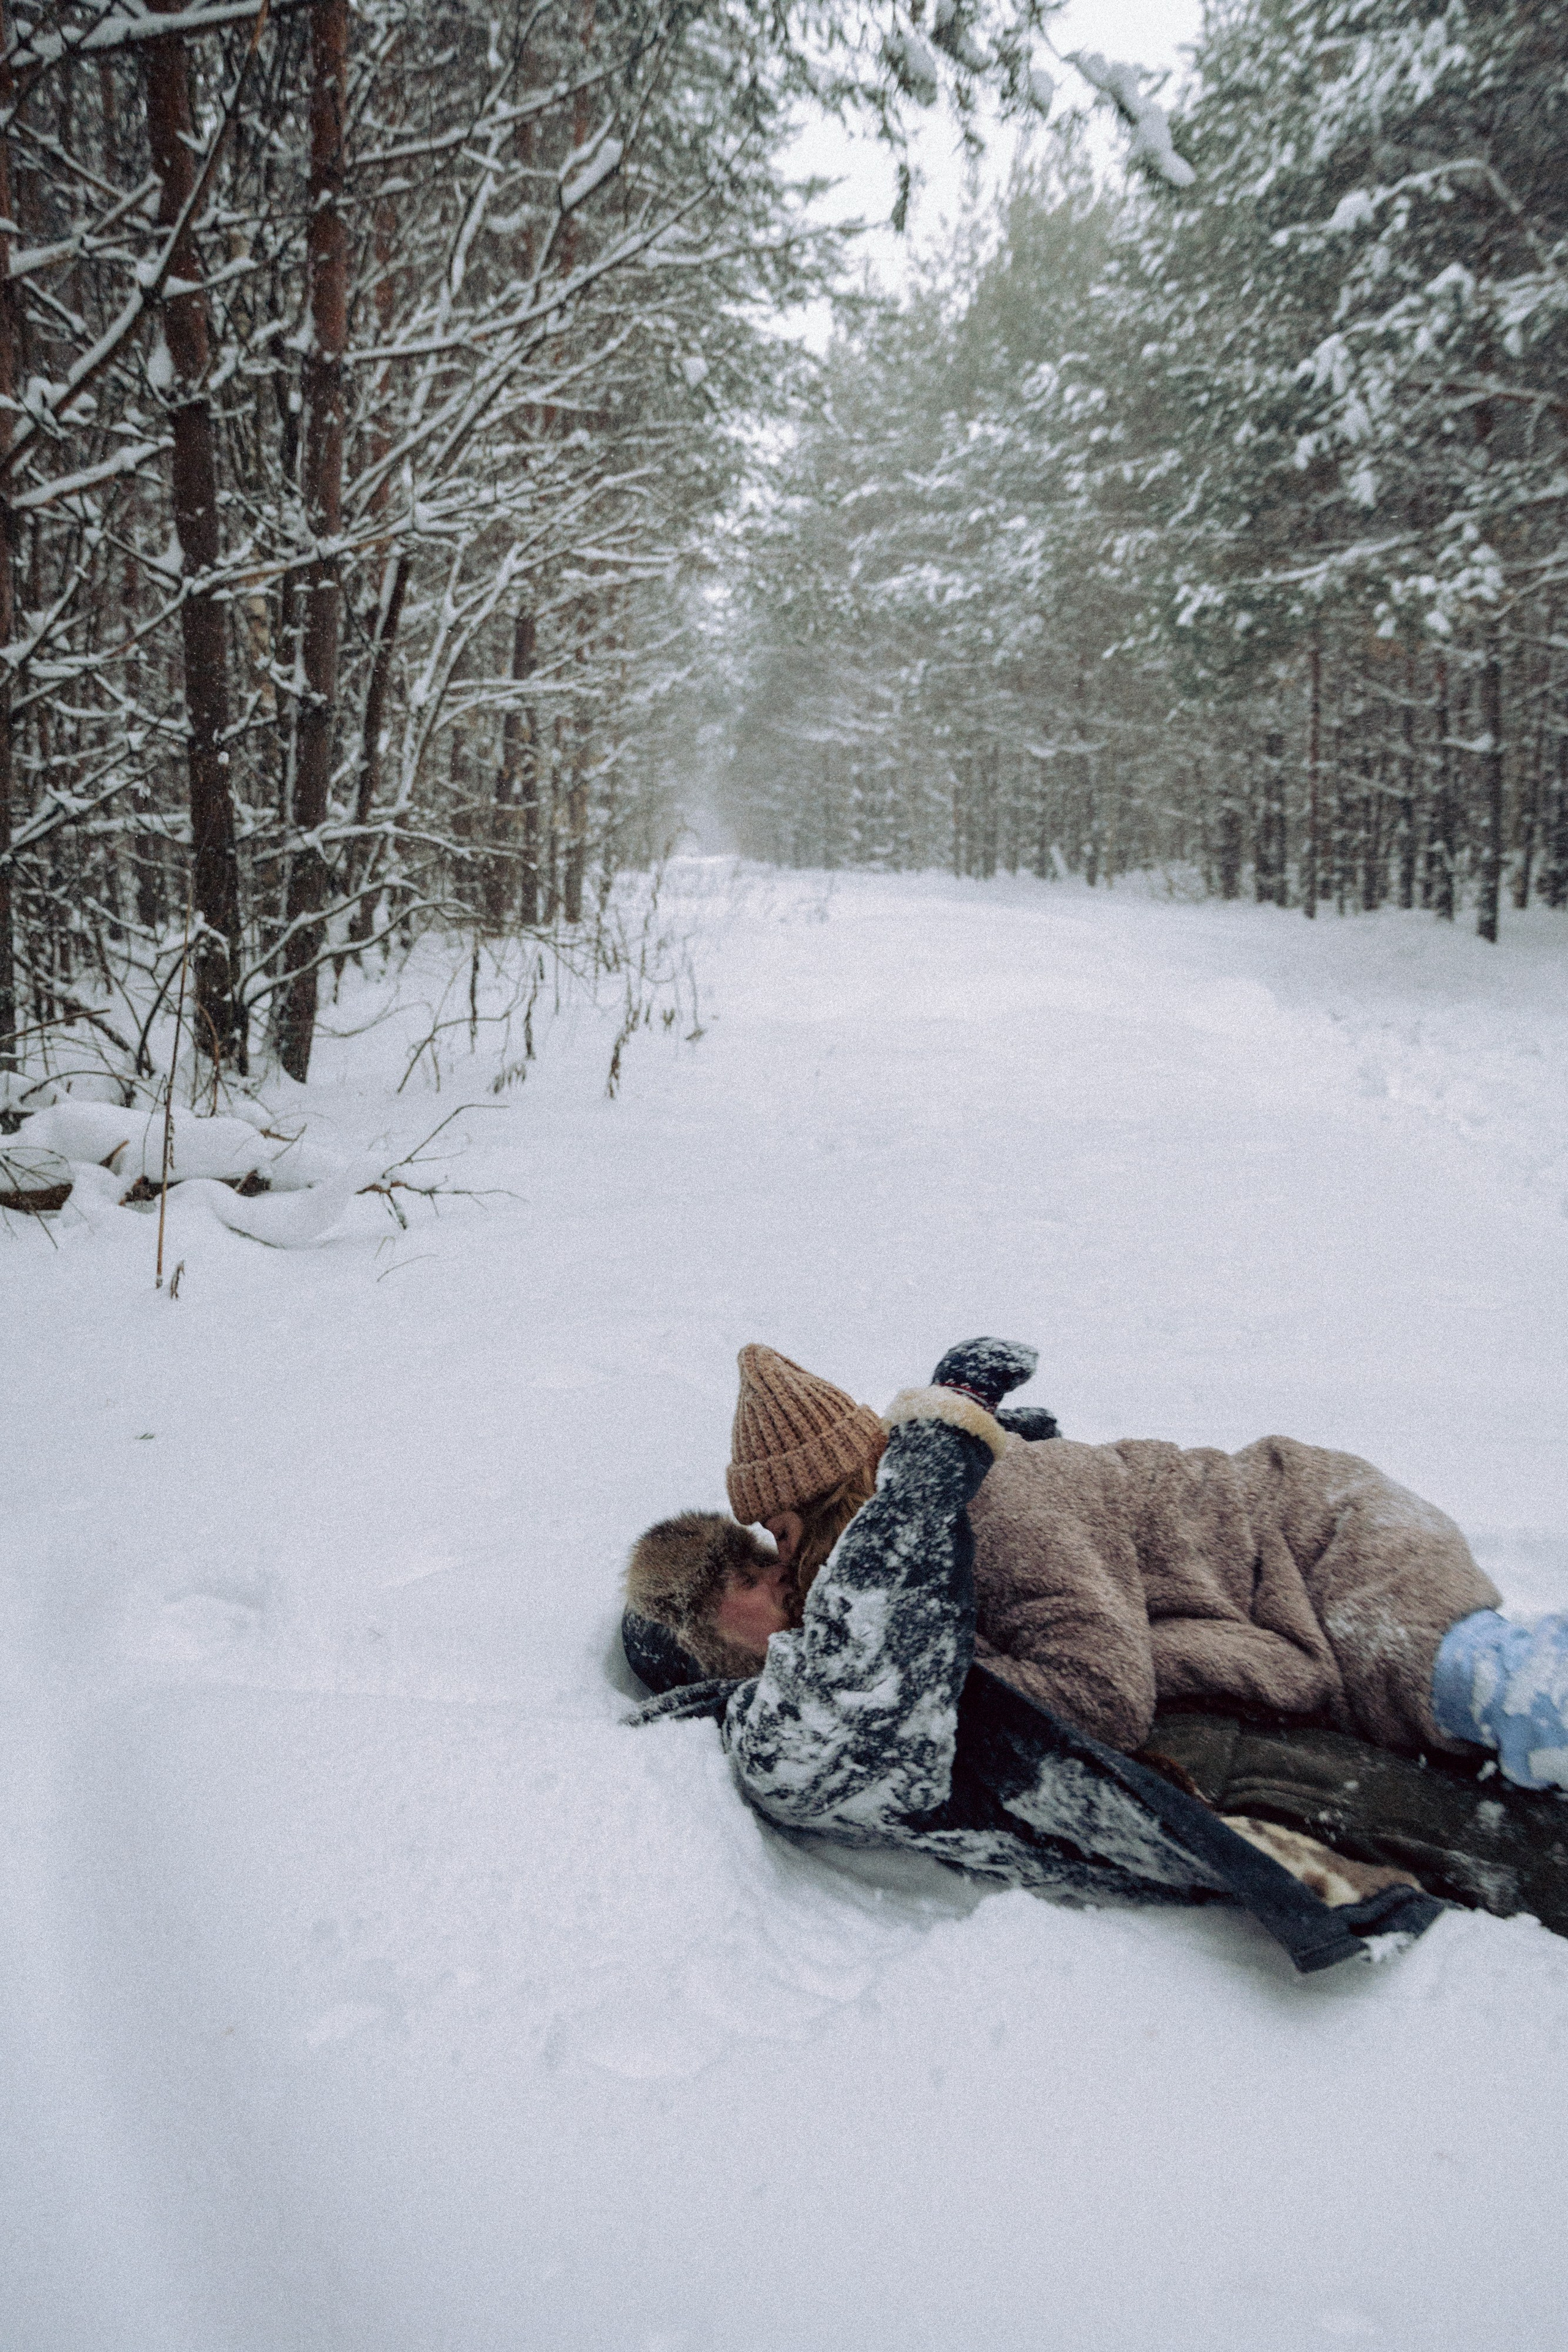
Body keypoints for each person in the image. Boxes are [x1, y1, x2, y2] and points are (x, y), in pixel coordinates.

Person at [622, 1341, 1568, 1957]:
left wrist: (945, 1676)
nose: (788, 1566)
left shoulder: (999, 1505)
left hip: (1322, 1541)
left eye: (782, 1534)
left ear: (836, 1498)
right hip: (1281, 1600)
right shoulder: (921, 1553)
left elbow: (1100, 1693)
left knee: (1506, 1691)